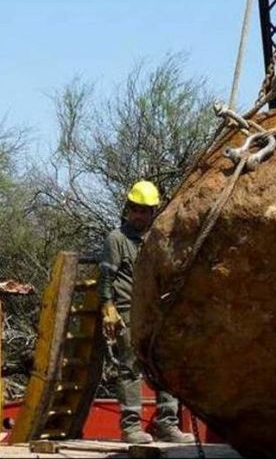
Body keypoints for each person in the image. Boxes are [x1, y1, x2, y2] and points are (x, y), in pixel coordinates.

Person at [98, 180, 194, 444]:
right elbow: (106, 275)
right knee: (129, 367)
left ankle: (167, 423)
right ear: (128, 209)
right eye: (136, 209)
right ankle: (130, 428)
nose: (140, 215)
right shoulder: (116, 239)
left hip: (155, 312)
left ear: (154, 212)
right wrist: (108, 306)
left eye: (145, 210)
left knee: (163, 365)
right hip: (128, 312)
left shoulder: (157, 238)